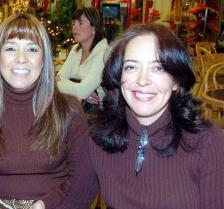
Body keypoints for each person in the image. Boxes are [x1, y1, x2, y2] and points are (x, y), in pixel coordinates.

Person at [0, 14, 98, 209]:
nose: (21, 59)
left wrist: (46, 204)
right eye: (10, 49)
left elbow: (82, 183)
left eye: (32, 49)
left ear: (44, 60)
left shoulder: (69, 111)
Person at [89, 23, 224, 209]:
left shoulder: (209, 144)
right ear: (119, 77)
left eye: (158, 68)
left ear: (176, 80)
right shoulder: (98, 136)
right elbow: (73, 199)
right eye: (131, 67)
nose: (143, 80)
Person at [56, 7, 109, 113]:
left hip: (98, 117)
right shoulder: (75, 49)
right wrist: (80, 90)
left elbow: (81, 91)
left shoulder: (103, 53)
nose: (74, 28)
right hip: (76, 110)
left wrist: (82, 91)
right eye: (74, 23)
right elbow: (59, 77)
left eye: (80, 23)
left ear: (94, 28)